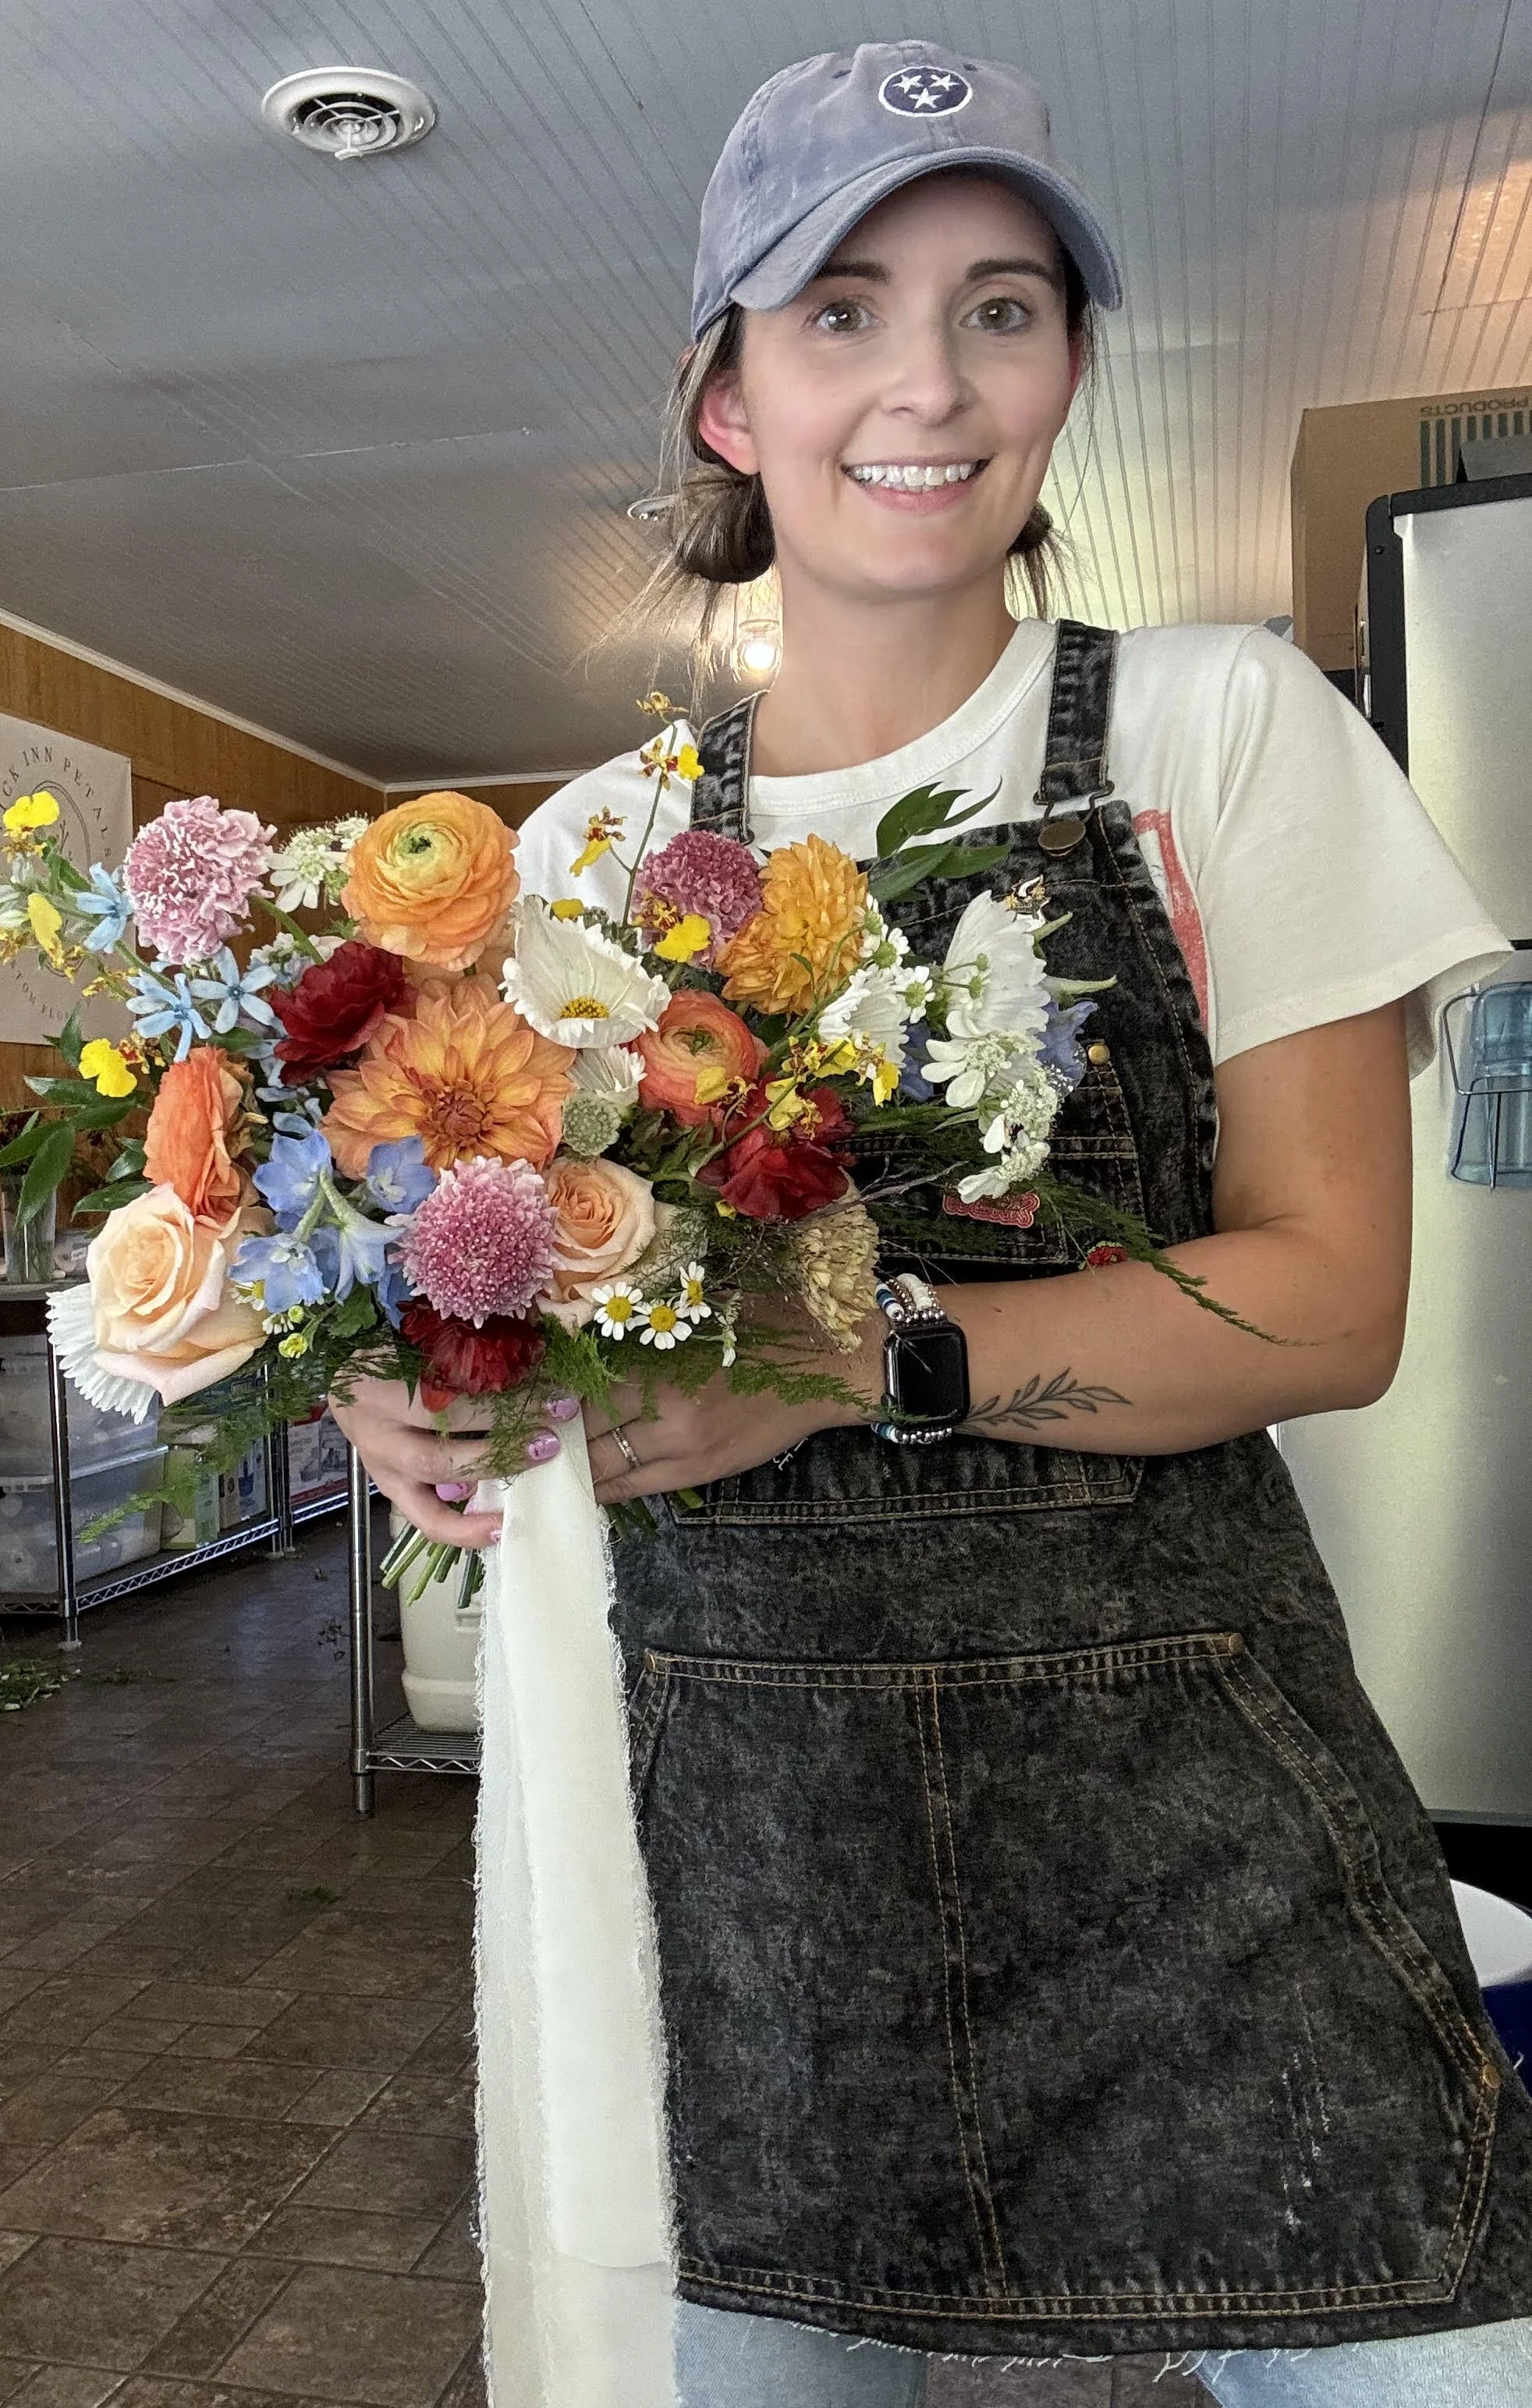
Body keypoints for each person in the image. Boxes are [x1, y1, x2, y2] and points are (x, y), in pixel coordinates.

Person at [335, 38, 1532, 2408]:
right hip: (753, 1858)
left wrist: (859, 1358)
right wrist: (420, 1386)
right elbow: (523, 1303)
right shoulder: (581, 854)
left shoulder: (1213, 729)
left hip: (1189, 1816)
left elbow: (1328, 1306)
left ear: (1072, 366)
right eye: (842, 306)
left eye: (1003, 308)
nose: (927, 379)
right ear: (726, 397)